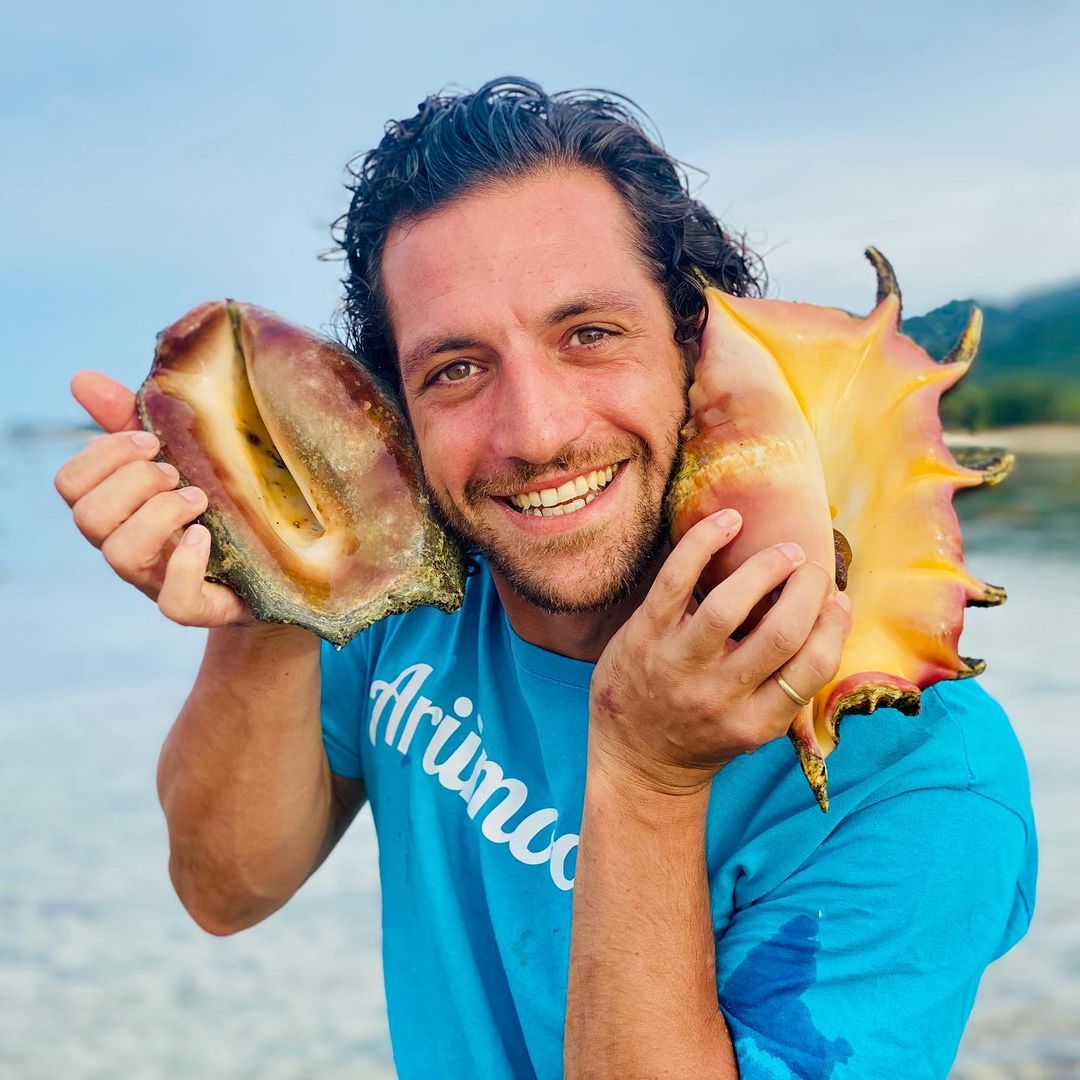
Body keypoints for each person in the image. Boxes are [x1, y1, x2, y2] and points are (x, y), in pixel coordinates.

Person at [55, 77, 1036, 1079]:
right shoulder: (425, 588)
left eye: (589, 336)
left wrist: (649, 775)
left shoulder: (921, 772)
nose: (537, 433)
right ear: (400, 402)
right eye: (457, 368)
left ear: (699, 344)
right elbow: (226, 890)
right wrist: (267, 590)